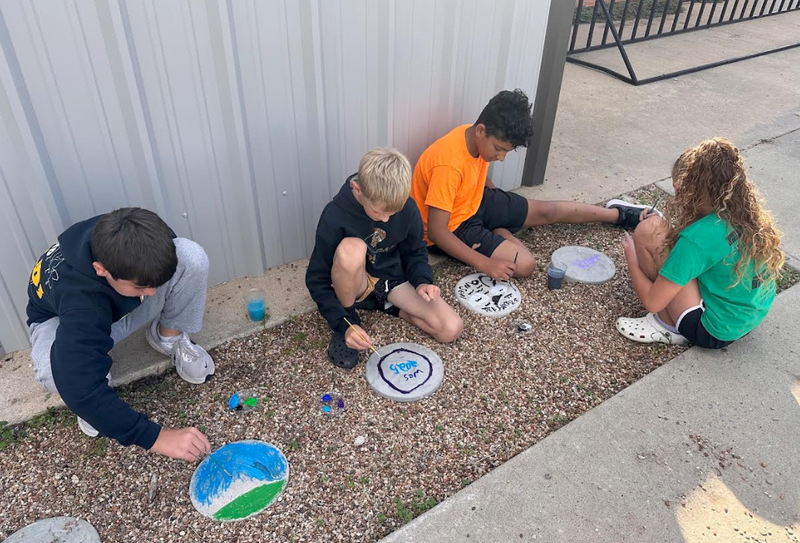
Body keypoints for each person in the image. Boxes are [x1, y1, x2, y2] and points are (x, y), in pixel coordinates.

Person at [26, 208, 215, 461]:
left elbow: (155, 279)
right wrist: (157, 437)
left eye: (155, 286)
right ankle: (94, 394)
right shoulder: (84, 303)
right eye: (141, 286)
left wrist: (145, 286)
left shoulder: (142, 234)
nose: (151, 294)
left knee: (189, 256)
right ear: (101, 269)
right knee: (60, 375)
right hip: (61, 320)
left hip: (108, 306)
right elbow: (78, 388)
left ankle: (167, 336)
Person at [411, 88, 653, 281]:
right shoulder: (447, 165)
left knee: (547, 211)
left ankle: (617, 214)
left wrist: (500, 202)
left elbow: (475, 173)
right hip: (453, 229)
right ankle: (498, 232)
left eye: (507, 151)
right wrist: (484, 263)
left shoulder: (473, 136)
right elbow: (437, 232)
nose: (501, 157)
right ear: (481, 131)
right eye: (498, 149)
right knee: (525, 265)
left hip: (477, 202)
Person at [616, 137, 784, 347]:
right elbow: (714, 244)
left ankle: (665, 324)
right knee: (661, 232)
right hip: (748, 315)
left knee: (648, 232)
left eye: (679, 187)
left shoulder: (697, 239)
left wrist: (631, 259)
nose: (676, 193)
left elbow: (652, 301)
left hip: (711, 330)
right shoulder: (745, 212)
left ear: (692, 189)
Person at [306, 148, 464, 369]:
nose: (386, 219)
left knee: (451, 328)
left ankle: (387, 305)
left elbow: (415, 251)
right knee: (351, 249)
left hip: (392, 282)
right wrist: (344, 324)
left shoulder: (406, 207)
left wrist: (422, 281)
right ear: (358, 189)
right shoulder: (335, 215)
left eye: (393, 212)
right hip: (356, 284)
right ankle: (351, 316)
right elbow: (317, 279)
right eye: (380, 212)